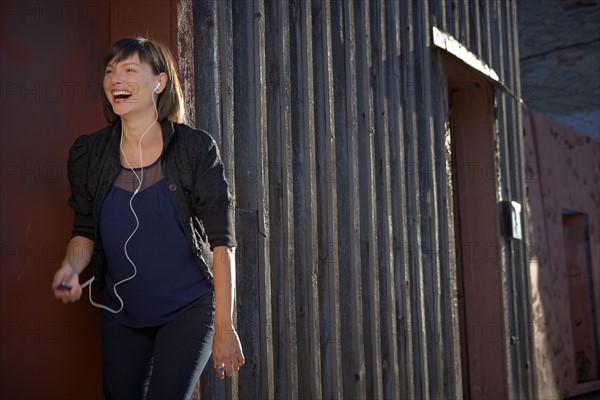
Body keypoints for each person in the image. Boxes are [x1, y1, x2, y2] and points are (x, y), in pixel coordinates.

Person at [52, 37, 244, 399]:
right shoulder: (89, 154)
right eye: (110, 72)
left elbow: (222, 241)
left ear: (159, 82)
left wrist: (224, 327)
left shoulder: (194, 149)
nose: (115, 80)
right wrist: (70, 269)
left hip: (188, 309)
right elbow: (84, 233)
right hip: (121, 313)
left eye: (128, 70)